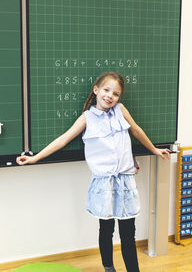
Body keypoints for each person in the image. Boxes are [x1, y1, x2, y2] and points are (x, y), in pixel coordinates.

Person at [16, 71, 170, 272]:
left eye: (115, 94)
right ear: (96, 90)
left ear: (119, 97)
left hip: (125, 181)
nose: (110, 96)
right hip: (103, 183)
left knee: (128, 233)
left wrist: (154, 149)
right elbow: (63, 140)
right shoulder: (87, 118)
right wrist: (34, 158)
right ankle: (108, 268)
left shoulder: (121, 110)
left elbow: (137, 131)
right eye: (106, 90)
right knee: (106, 230)